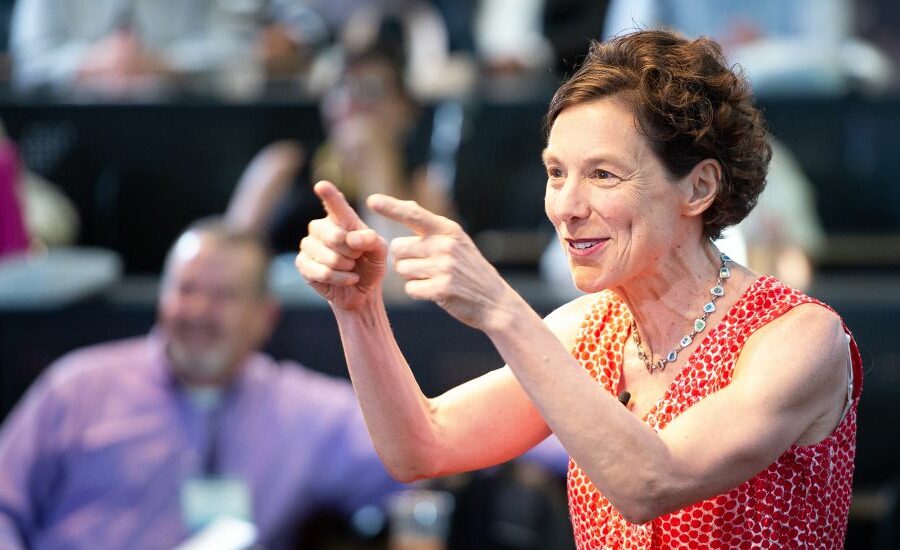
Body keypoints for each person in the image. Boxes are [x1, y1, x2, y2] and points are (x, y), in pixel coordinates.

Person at [296, 29, 862, 548]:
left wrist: (500, 309)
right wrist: (358, 309)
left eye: (602, 174)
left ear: (698, 188)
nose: (565, 207)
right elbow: (420, 447)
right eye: (556, 173)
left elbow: (652, 482)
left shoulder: (799, 338)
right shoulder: (588, 330)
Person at [0, 219, 402, 549]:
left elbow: (412, 464)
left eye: (223, 295)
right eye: (186, 288)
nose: (197, 311)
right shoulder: (79, 389)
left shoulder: (304, 411)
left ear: (265, 317)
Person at [9, 0, 328, 99]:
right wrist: (92, 61)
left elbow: (238, 47)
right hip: (68, 127)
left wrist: (162, 63)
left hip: (188, 121)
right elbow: (28, 62)